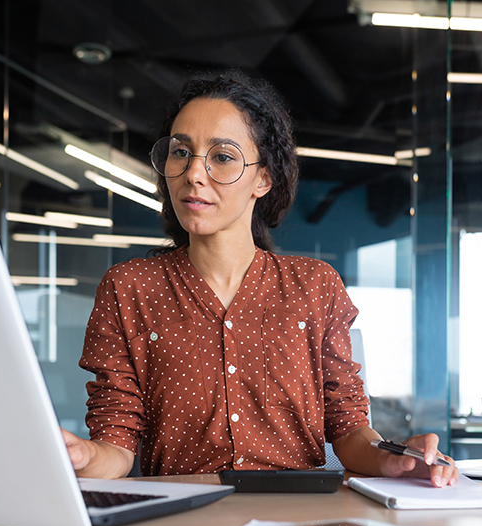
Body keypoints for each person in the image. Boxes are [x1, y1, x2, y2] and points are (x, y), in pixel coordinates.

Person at [61, 70, 459, 488]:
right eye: (181, 152)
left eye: (222, 156)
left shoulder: (315, 286)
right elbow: (116, 446)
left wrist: (394, 459)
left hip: (299, 521)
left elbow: (349, 430)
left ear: (264, 178)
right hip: (181, 518)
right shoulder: (130, 289)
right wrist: (82, 455)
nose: (194, 173)